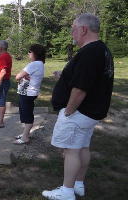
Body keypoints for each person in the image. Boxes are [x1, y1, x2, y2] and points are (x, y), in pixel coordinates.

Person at [42, 13, 114, 200]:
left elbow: (81, 88)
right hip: (91, 111)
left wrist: (68, 111)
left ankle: (66, 192)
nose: (71, 33)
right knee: (82, 147)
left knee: (70, 151)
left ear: (83, 29)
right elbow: (87, 78)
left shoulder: (90, 52)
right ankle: (78, 185)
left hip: (79, 111)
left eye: (73, 28)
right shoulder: (102, 50)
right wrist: (63, 77)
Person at [14, 44, 45, 144]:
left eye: (30, 51)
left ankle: (25, 138)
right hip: (29, 92)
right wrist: (24, 76)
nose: (28, 53)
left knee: (27, 116)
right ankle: (25, 134)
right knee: (26, 114)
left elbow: (17, 76)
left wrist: (22, 76)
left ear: (35, 53)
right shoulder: (39, 64)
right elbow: (24, 76)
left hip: (27, 93)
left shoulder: (34, 64)